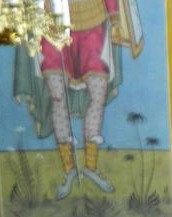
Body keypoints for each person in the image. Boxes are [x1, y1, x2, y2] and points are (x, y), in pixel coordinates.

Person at [13, 0, 143, 199]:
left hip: (92, 19)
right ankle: (69, 170)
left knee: (98, 93)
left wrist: (115, 18)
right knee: (57, 97)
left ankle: (91, 166)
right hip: (51, 22)